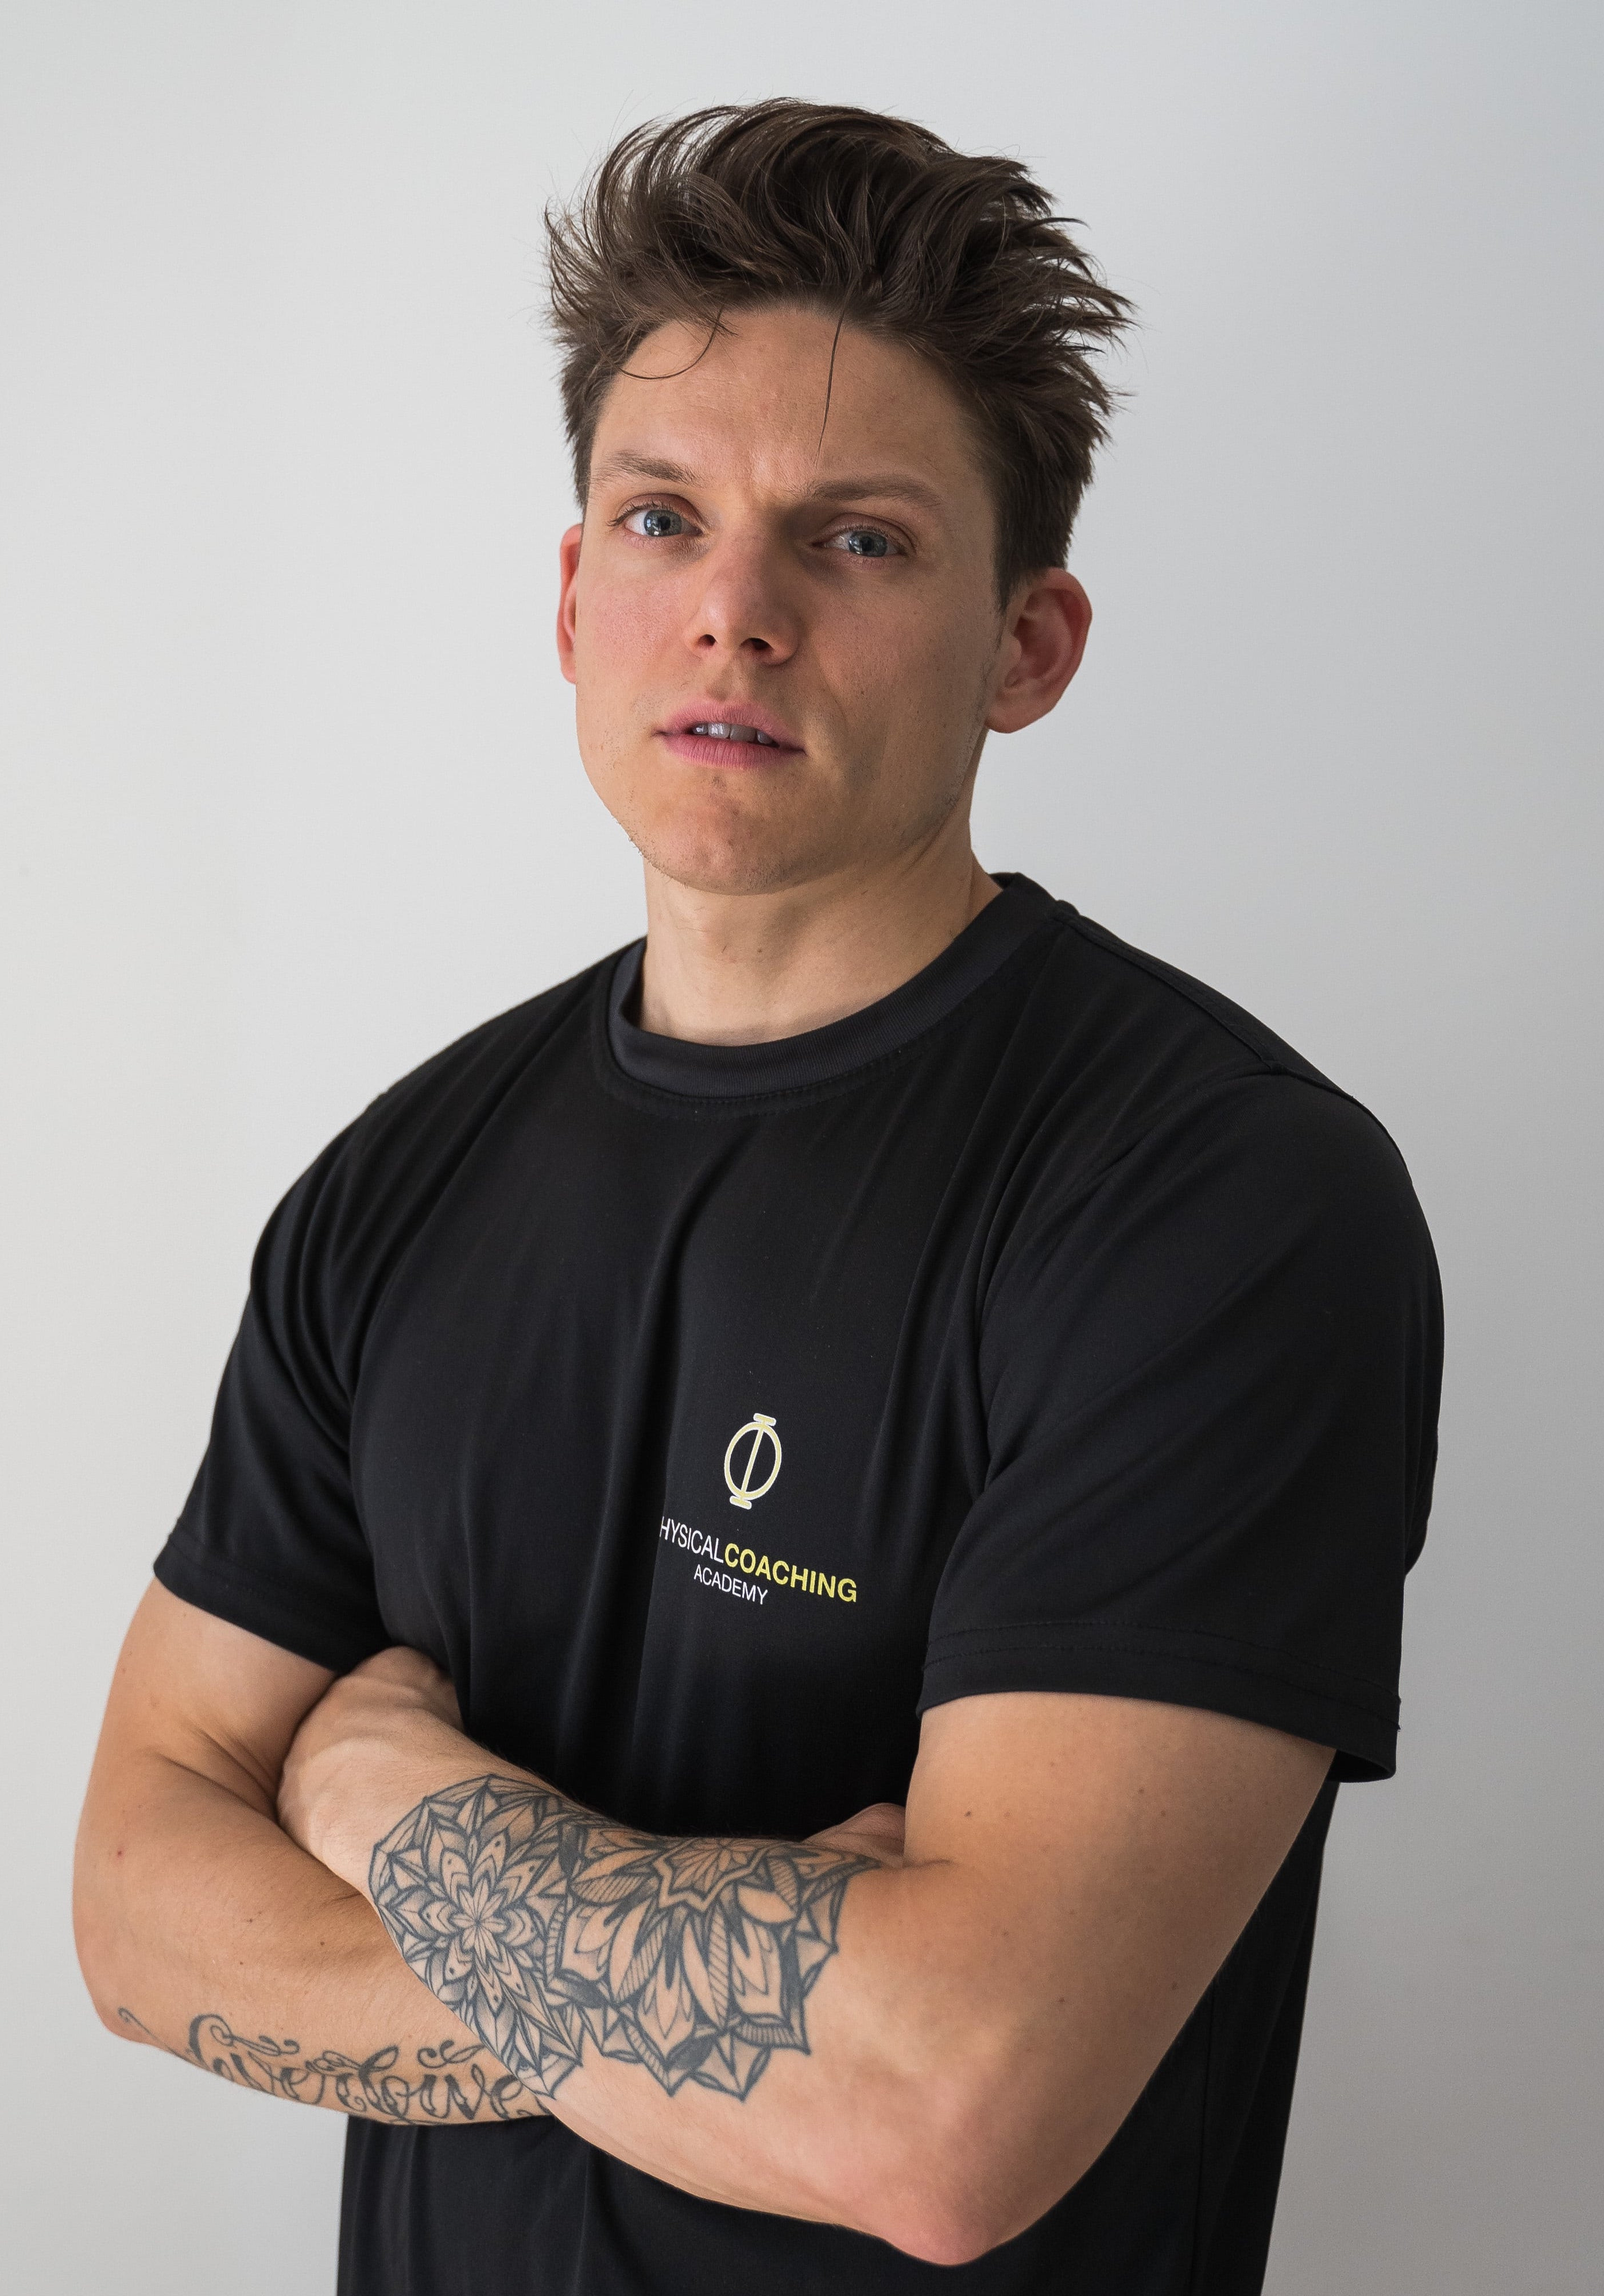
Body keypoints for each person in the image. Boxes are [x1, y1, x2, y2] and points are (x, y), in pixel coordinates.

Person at [72, 98, 1441, 2294]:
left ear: (1029, 644)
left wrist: (381, 1805)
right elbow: (138, 1913)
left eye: (860, 541)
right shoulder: (396, 1187)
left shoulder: (1220, 1204)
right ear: (573, 595)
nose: (734, 613)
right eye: (662, 519)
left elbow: (945, 2116)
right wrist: (752, 2000)